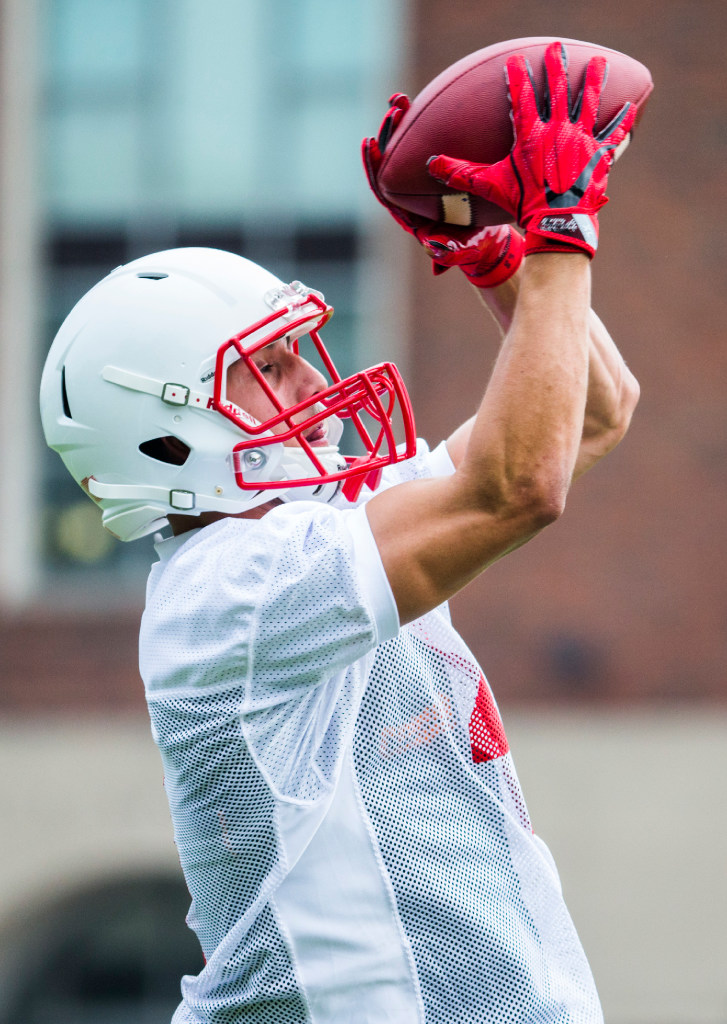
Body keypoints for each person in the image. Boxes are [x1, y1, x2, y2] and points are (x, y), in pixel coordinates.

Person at [40, 42, 639, 1024]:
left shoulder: (306, 528)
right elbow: (519, 487)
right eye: (270, 367)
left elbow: (590, 419)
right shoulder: (229, 585)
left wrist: (502, 259)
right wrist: (560, 230)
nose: (316, 386)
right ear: (165, 426)